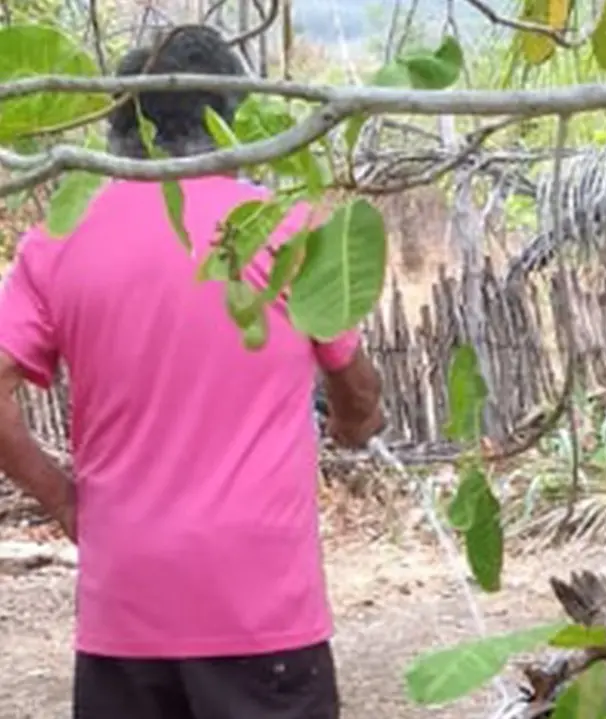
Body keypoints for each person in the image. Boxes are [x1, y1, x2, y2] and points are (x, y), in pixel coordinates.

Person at [0, 25, 384, 719]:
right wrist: (357, 422)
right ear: (233, 121)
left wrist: (61, 497)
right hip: (262, 613)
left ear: (114, 122)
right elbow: (356, 387)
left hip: (124, 611)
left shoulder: (56, 239)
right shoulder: (283, 228)